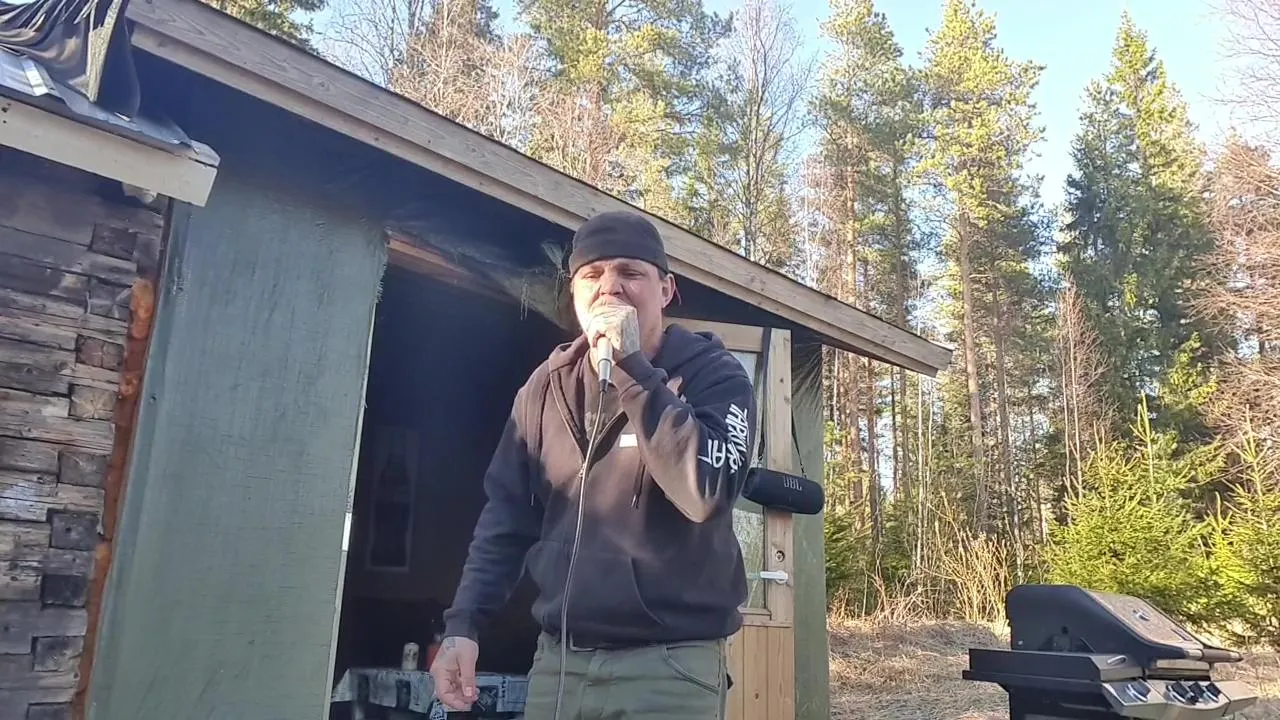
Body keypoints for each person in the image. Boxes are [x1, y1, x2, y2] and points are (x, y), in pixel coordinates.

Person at [429, 210, 757, 719]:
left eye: (630, 272)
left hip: (669, 667)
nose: (610, 288)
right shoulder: (544, 388)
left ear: (666, 290)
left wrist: (632, 369)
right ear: (575, 292)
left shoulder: (715, 375)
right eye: (592, 274)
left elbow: (705, 492)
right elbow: (506, 518)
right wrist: (464, 625)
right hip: (560, 667)